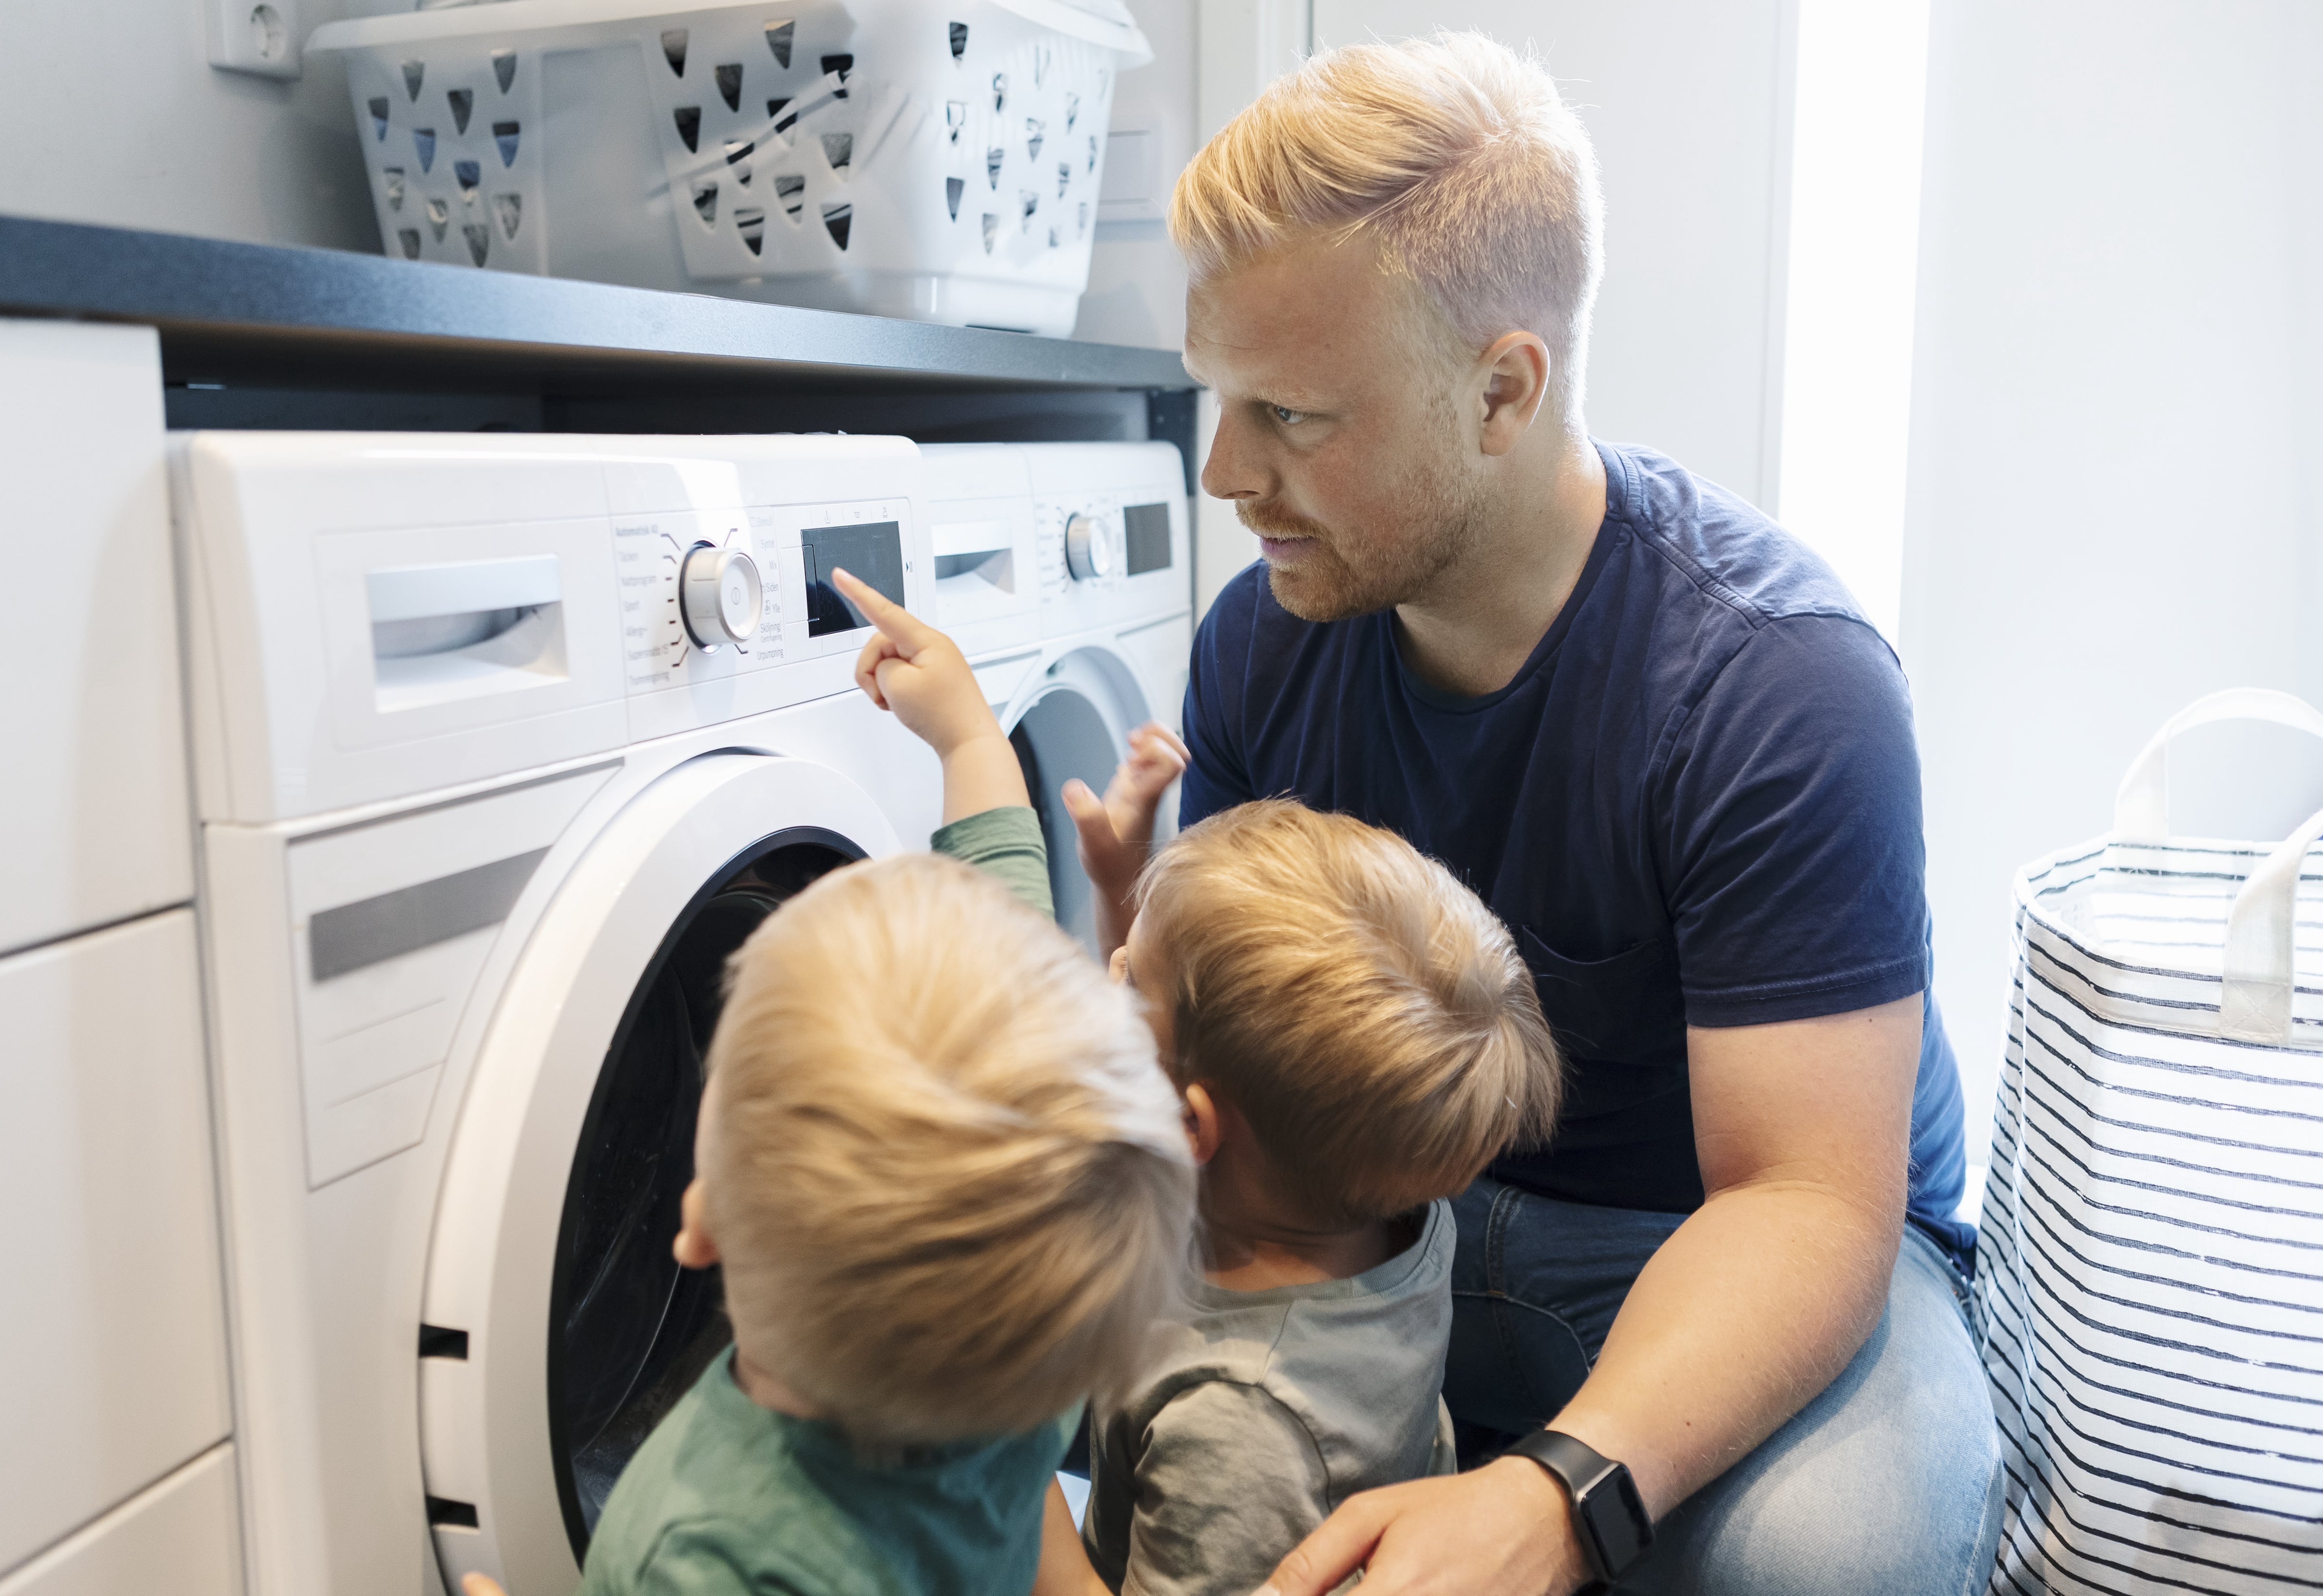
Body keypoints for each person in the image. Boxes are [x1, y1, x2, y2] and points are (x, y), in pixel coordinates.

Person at [1110, 31, 2001, 1596]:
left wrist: (1556, 1493)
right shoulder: (1262, 639)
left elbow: (1805, 1197)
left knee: (1827, 1561)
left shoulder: (1779, 685)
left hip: (1714, 1225)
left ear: (1503, 389)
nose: (1224, 472)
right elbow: (1231, 1061)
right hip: (1387, 1207)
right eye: (1218, 399)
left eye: (1295, 416)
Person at [559, 567, 1196, 1596]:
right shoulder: (1018, 1361)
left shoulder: (710, 1553)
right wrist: (968, 743)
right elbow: (1008, 983)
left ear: (702, 1220)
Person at [1030, 798, 1565, 1596]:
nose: (1108, 973)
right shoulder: (1388, 1205)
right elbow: (1195, 1061)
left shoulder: (1241, 1425)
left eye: (1129, 978)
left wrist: (1010, 1486)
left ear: (1190, 1126)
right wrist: (1119, 893)